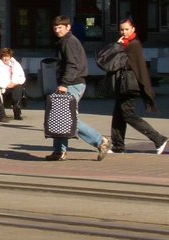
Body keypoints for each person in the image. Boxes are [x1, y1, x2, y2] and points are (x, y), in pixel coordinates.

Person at [47, 15, 109, 161]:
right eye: (55, 27)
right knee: (61, 116)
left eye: (60, 27)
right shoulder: (65, 41)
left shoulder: (69, 42)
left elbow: (72, 65)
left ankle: (101, 142)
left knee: (68, 118)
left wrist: (64, 83)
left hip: (73, 83)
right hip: (71, 82)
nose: (57, 30)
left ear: (68, 27)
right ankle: (59, 151)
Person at [102, 17, 168, 155]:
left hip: (130, 86)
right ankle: (118, 146)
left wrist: (117, 47)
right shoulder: (124, 44)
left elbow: (118, 62)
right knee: (118, 116)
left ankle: (159, 139)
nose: (124, 32)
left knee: (128, 115)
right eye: (121, 29)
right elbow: (107, 60)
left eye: (126, 29)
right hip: (123, 85)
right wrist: (118, 46)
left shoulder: (133, 45)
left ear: (133, 29)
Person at [0, 47, 26, 121]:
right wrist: (7, 85)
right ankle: (2, 115)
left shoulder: (15, 64)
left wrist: (14, 83)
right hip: (3, 88)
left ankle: (17, 111)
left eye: (7, 56)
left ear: (10, 57)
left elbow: (21, 77)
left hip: (13, 86)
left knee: (19, 86)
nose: (5, 58)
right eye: (3, 56)